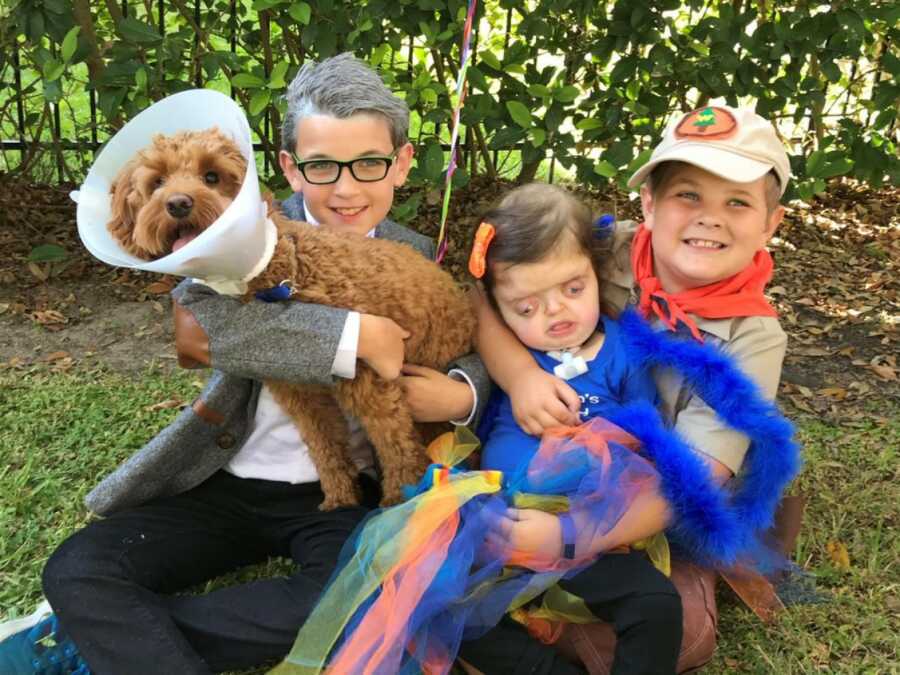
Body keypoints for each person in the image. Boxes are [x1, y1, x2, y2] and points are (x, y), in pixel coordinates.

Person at [0, 53, 489, 675]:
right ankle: (105, 631)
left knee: (358, 600)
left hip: (344, 493)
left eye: (368, 164)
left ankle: (88, 641)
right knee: (79, 566)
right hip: (229, 477)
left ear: (402, 164)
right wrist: (354, 335)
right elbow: (200, 333)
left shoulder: (418, 253)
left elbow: (473, 348)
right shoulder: (230, 232)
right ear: (288, 167)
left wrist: (459, 395)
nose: (345, 187)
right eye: (320, 165)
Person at [461, 104, 794, 674]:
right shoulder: (608, 251)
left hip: (648, 497)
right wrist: (520, 376)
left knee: (679, 630)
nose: (708, 219)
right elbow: (479, 289)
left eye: (737, 202)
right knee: (445, 588)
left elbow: (691, 477)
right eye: (688, 195)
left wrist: (569, 537)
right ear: (648, 204)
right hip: (538, 465)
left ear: (770, 224)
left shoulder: (754, 337)